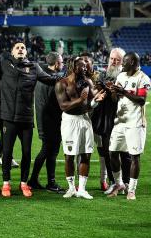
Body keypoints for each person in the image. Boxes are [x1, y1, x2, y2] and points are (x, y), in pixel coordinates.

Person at [0, 41, 58, 197]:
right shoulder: (4, 65)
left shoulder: (33, 67)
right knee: (7, 152)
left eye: (23, 48)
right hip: (8, 117)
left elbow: (50, 79)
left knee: (26, 152)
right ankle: (6, 184)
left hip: (25, 118)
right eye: (17, 47)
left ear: (26, 52)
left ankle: (24, 183)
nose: (20, 49)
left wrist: (68, 77)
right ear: (12, 52)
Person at [55, 56, 106, 200]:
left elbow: (89, 105)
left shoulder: (88, 82)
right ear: (72, 67)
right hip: (70, 122)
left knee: (86, 154)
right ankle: (71, 188)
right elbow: (63, 106)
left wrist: (95, 101)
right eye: (81, 66)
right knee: (69, 156)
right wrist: (80, 100)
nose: (85, 68)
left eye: (85, 66)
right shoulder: (62, 84)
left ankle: (82, 189)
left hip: (85, 120)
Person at [106, 52, 150, 200]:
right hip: (120, 121)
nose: (121, 64)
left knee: (134, 156)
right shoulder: (121, 76)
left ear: (131, 62)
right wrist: (113, 91)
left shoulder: (143, 78)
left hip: (135, 123)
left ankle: (131, 190)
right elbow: (114, 99)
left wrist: (123, 91)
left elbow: (142, 100)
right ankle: (119, 184)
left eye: (124, 61)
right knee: (112, 152)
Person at [28, 51, 66, 193]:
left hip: (43, 119)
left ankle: (37, 180)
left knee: (48, 151)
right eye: (61, 62)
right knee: (49, 151)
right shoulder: (53, 79)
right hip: (51, 121)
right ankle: (47, 182)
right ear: (56, 63)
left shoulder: (41, 76)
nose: (62, 64)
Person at [93, 48, 126, 191]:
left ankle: (123, 182)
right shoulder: (101, 75)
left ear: (122, 62)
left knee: (122, 153)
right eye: (112, 58)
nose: (114, 61)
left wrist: (114, 92)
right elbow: (95, 93)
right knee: (105, 151)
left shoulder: (124, 76)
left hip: (119, 119)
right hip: (102, 117)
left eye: (117, 59)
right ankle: (111, 180)